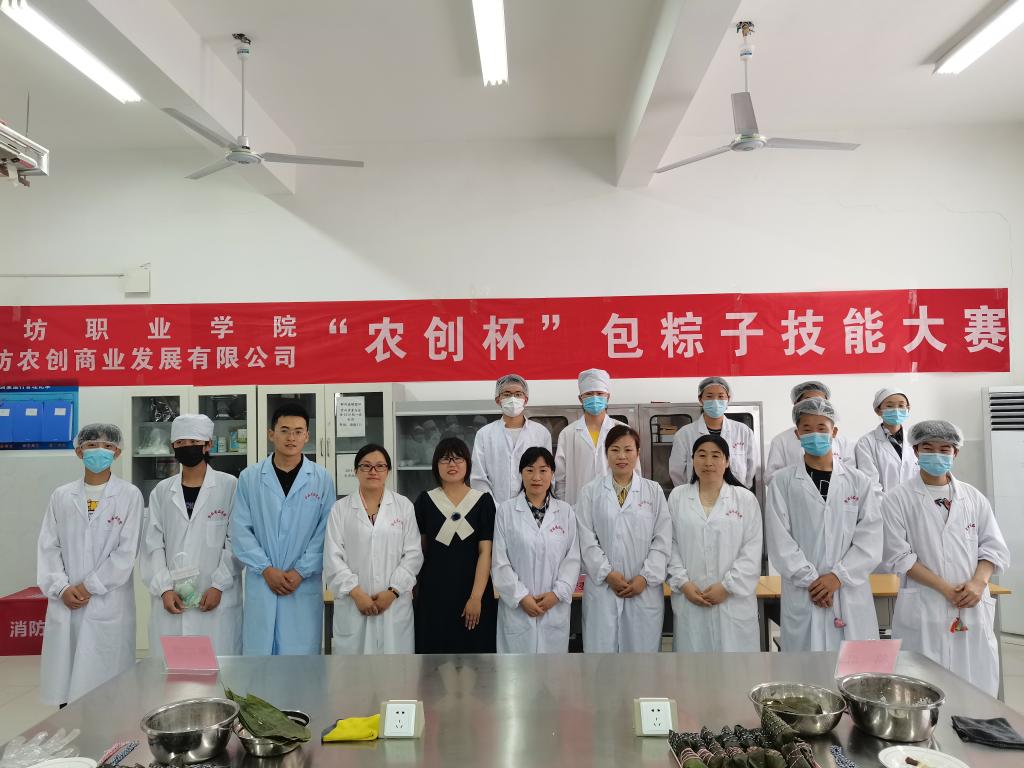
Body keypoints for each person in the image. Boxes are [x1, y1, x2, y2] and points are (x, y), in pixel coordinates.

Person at [882, 420, 1010, 697]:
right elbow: (899, 556)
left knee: (975, 690)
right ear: (916, 451)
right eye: (928, 448)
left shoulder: (974, 498)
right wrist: (945, 588)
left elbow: (993, 548)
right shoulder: (897, 499)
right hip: (925, 606)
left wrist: (978, 583)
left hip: (971, 605)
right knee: (921, 691)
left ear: (956, 452)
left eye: (944, 449)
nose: (936, 454)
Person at [37, 423, 143, 706]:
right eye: (92, 445)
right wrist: (61, 587)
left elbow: (126, 553)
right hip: (66, 602)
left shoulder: (129, 495)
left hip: (108, 603)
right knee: (68, 680)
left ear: (117, 452)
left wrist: (87, 587)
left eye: (107, 446)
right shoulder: (61, 496)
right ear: (79, 451)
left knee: (108, 685)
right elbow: (48, 547)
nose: (99, 451)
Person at [765, 398, 881, 651]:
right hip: (804, 590)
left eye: (821, 428)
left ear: (834, 432)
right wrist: (812, 581)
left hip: (848, 590)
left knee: (853, 667)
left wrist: (838, 577)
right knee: (806, 669)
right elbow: (779, 539)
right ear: (797, 434)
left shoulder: (858, 481)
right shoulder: (782, 482)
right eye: (807, 429)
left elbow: (870, 538)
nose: (814, 434)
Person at [231, 402, 335, 655]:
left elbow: (326, 532)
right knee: (259, 661)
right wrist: (266, 569)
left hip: (303, 583)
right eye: (285, 430)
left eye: (298, 431)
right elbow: (241, 530)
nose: (291, 438)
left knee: (300, 661)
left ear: (307, 436)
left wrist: (301, 571)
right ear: (271, 434)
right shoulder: (250, 478)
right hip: (263, 580)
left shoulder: (321, 479)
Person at [141, 414, 241, 657]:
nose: (187, 448)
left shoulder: (230, 486)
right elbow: (153, 544)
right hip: (172, 599)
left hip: (216, 599)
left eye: (194, 442)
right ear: (173, 447)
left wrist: (218, 585)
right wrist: (164, 588)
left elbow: (236, 541)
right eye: (181, 443)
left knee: (220, 669)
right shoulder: (162, 491)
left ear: (208, 445)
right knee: (173, 670)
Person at [575, 425, 671, 653]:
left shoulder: (653, 491)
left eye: (628, 450)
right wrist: (607, 573)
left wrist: (645, 577)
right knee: (601, 662)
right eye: (615, 450)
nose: (621, 456)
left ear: (637, 453)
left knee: (642, 663)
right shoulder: (590, 492)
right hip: (603, 590)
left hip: (643, 591)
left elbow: (662, 539)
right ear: (606, 453)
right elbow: (586, 539)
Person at [324, 444, 423, 654]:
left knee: (396, 670)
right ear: (356, 471)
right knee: (354, 671)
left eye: (380, 466)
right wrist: (356, 593)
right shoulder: (340, 509)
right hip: (354, 604)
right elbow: (332, 558)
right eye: (366, 466)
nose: (373, 471)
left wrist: (393, 591)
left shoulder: (403, 506)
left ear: (388, 471)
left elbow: (413, 555)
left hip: (394, 605)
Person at [667, 434, 763, 652]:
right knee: (694, 667)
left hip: (733, 602)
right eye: (701, 455)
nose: (708, 462)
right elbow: (669, 545)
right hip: (690, 597)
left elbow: (751, 550)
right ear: (692, 460)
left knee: (736, 666)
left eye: (715, 456)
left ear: (727, 461)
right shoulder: (678, 497)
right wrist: (684, 583)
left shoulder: (745, 499)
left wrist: (727, 587)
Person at [492, 447, 581, 653]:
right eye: (530, 470)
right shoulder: (506, 511)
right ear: (521, 473)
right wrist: (521, 597)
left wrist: (556, 594)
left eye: (543, 470)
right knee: (517, 671)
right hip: (518, 610)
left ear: (552, 474)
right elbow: (500, 562)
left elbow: (572, 559)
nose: (536, 477)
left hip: (554, 609)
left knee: (552, 670)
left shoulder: (565, 512)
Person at [415, 438, 498, 653]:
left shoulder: (483, 502)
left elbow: (485, 552)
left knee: (476, 659)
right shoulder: (425, 501)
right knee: (434, 658)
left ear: (468, 463)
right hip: (434, 593)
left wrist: (476, 597)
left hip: (473, 590)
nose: (452, 464)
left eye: (458, 458)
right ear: (436, 465)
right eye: (445, 459)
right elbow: (420, 552)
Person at [470, 374, 552, 504]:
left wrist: (534, 506)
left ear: (525, 400)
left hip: (533, 508)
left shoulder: (541, 433)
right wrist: (495, 508)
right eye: (507, 394)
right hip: (494, 510)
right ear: (498, 400)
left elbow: (547, 474)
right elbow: (478, 479)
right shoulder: (484, 434)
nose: (513, 399)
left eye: (518, 394)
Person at [554, 368, 629, 506]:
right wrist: (565, 508)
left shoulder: (623, 431)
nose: (594, 398)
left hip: (616, 506)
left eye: (600, 393)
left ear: (608, 397)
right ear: (580, 399)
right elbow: (560, 479)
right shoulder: (568, 434)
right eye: (589, 394)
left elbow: (633, 473)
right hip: (577, 507)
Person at [668, 377, 758, 489]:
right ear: (700, 399)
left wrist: (741, 491)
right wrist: (688, 493)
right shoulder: (684, 434)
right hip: (697, 495)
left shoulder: (743, 431)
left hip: (735, 495)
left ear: (728, 399)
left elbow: (751, 467)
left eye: (721, 396)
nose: (715, 401)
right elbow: (676, 470)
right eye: (709, 396)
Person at [765, 380, 855, 486]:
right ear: (796, 405)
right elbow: (772, 478)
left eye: (820, 401)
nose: (814, 405)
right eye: (808, 401)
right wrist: (798, 485)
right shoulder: (781, 440)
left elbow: (851, 475)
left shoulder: (842, 441)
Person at [855, 388, 918, 494]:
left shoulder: (916, 441)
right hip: (881, 503)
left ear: (908, 408)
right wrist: (888, 503)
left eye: (901, 405)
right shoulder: (866, 443)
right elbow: (870, 484)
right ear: (878, 410)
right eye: (889, 406)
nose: (896, 410)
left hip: (913, 502)